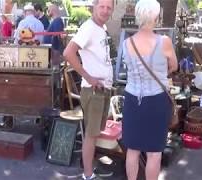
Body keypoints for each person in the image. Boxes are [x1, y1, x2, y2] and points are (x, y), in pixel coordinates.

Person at [119, 0, 178, 180]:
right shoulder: (164, 41)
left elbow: (127, 69)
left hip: (132, 100)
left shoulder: (127, 42)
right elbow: (174, 66)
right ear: (155, 16)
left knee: (133, 149)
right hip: (156, 101)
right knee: (154, 152)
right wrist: (160, 73)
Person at [63, 0, 114, 179]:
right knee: (91, 135)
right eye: (102, 6)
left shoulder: (102, 27)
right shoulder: (89, 27)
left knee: (95, 133)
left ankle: (90, 168)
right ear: (94, 7)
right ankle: (87, 175)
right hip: (93, 91)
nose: (105, 10)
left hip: (102, 89)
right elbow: (68, 53)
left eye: (109, 7)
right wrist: (89, 77)